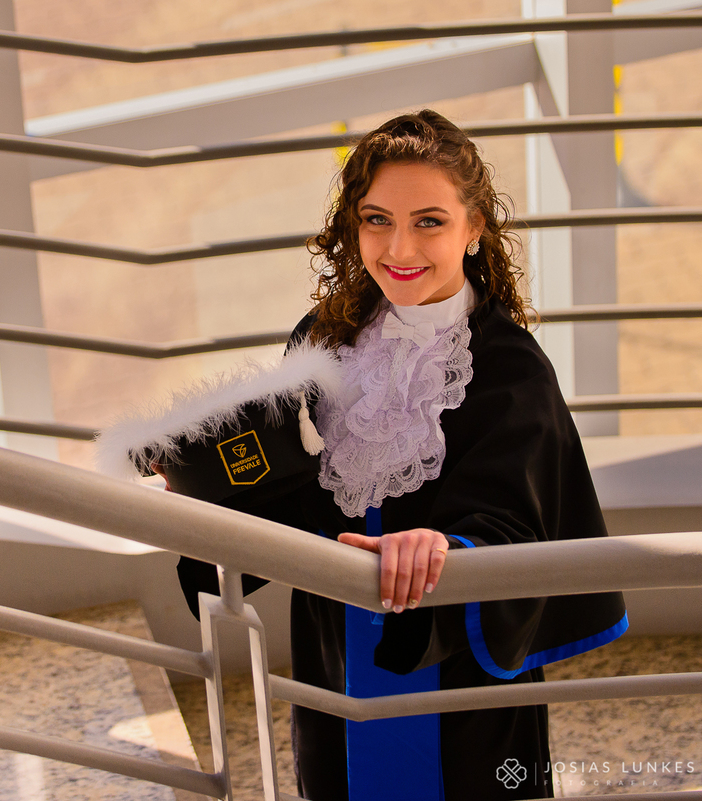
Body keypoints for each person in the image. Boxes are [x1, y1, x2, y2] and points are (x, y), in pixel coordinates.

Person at [174, 109, 627, 800]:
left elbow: (515, 526)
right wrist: (201, 477)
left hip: (455, 668)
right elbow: (294, 485)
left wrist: (446, 544)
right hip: (336, 646)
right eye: (377, 218)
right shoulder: (320, 341)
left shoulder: (509, 367)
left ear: (475, 228)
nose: (399, 245)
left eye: (430, 221)